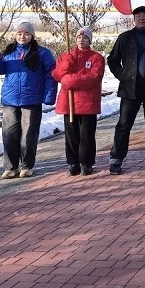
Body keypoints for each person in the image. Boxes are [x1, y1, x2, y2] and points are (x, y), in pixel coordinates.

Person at [0, 21, 56, 179]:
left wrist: (49, 95)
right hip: (10, 99)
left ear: (32, 36)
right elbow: (0, 70)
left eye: (26, 34)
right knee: (9, 133)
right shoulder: (9, 52)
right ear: (15, 36)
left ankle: (27, 165)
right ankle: (10, 167)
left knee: (28, 134)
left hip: (31, 99)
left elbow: (50, 75)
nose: (22, 37)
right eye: (19, 34)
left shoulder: (42, 53)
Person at [107, 5, 145, 174]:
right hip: (130, 88)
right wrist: (122, 75)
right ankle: (116, 158)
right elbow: (112, 60)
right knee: (124, 124)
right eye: (138, 16)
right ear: (134, 19)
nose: (142, 18)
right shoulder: (125, 37)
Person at [52, 27, 105, 176]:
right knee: (71, 135)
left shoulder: (96, 58)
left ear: (90, 40)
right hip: (69, 103)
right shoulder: (66, 56)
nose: (82, 40)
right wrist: (66, 65)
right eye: (79, 37)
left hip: (87, 102)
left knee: (86, 135)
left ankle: (86, 163)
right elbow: (57, 75)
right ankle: (73, 163)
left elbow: (94, 78)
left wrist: (70, 80)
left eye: (85, 37)